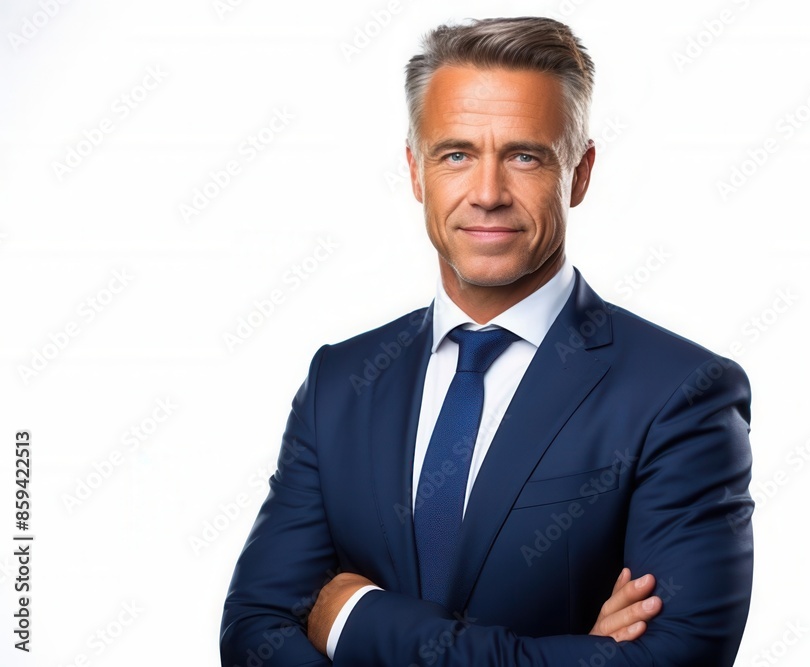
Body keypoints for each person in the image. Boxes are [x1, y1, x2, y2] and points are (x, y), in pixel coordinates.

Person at [221, 16, 754, 666]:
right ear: (417, 172)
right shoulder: (341, 383)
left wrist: (353, 616)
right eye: (457, 154)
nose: (487, 193)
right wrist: (566, 653)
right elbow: (254, 631)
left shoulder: (682, 394)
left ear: (580, 174)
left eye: (525, 155)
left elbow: (672, 660)